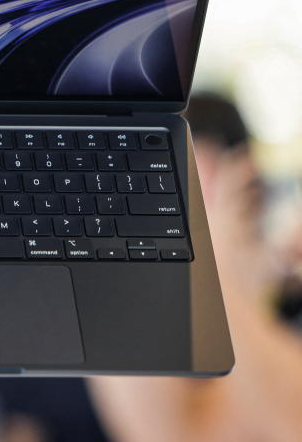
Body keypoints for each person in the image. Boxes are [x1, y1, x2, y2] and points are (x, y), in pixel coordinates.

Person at [89, 92, 302, 442]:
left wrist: (218, 258)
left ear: (241, 176)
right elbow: (159, 433)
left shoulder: (285, 302)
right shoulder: (156, 308)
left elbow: (287, 427)